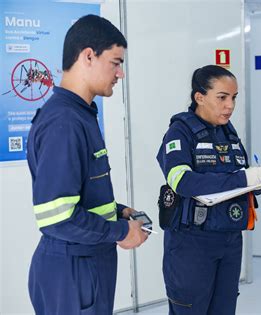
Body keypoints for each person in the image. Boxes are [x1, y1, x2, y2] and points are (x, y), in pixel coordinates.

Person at [27, 15, 148, 315]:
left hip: (86, 262)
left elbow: (79, 193)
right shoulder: (65, 122)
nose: (120, 73)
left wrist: (119, 211)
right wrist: (121, 231)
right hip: (72, 270)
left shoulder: (81, 114)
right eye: (116, 63)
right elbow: (57, 217)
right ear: (88, 56)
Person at [157, 65, 261, 314]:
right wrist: (241, 180)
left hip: (229, 240)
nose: (230, 106)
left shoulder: (229, 134)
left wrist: (256, 182)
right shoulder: (180, 133)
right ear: (199, 97)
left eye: (234, 98)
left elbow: (239, 176)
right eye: (222, 97)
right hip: (192, 243)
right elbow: (182, 182)